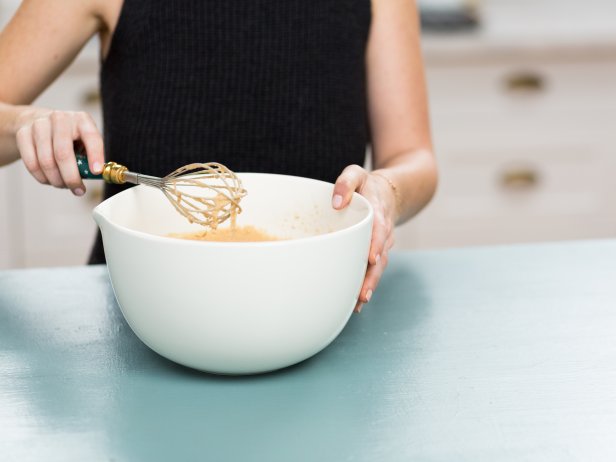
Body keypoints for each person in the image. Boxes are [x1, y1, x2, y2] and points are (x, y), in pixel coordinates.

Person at [0, 0, 437, 312]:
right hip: (144, 311)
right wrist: (22, 124)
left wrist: (387, 193)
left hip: (314, 307)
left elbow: (412, 154)